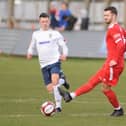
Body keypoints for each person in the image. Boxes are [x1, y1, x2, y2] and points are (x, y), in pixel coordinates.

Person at [58, 6, 126, 117]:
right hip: (110, 63)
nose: (105, 18)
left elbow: (121, 44)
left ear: (114, 15)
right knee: (92, 81)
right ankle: (70, 96)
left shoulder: (114, 29)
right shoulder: (119, 28)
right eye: (104, 15)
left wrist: (115, 59)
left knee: (105, 88)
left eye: (107, 15)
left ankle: (118, 109)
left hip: (114, 65)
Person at [27, 12, 69, 113]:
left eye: (46, 21)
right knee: (51, 89)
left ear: (49, 22)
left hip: (54, 61)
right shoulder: (36, 34)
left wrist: (65, 54)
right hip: (43, 65)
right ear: (39, 22)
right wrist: (29, 52)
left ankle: (58, 107)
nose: (45, 23)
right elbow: (32, 45)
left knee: (55, 83)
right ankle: (63, 79)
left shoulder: (55, 33)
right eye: (43, 21)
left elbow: (63, 45)